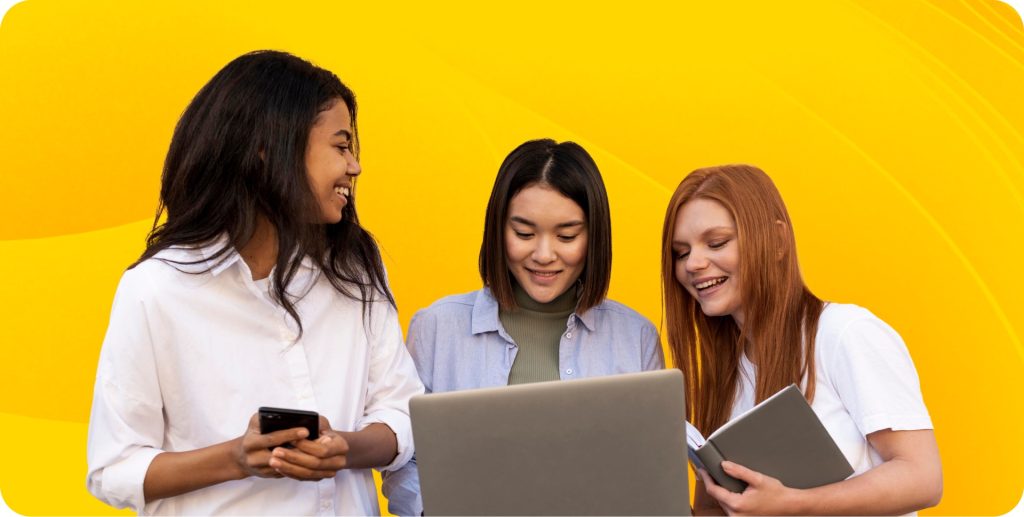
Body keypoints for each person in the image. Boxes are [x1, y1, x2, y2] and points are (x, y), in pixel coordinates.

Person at [86, 50, 424, 515]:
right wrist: (237, 458)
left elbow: (401, 413)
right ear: (268, 149)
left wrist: (342, 447)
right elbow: (113, 469)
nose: (355, 167)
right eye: (341, 146)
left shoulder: (356, 270)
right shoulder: (156, 290)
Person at [382, 139, 665, 515]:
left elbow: (652, 473)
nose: (544, 255)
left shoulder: (636, 337)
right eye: (524, 233)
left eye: (567, 236)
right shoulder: (437, 328)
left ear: (593, 237)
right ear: (498, 230)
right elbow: (406, 462)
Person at [662, 164, 942, 515]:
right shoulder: (723, 375)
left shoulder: (844, 334)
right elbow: (712, 509)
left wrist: (794, 504)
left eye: (716, 242)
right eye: (681, 252)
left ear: (777, 241)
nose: (694, 263)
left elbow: (922, 477)